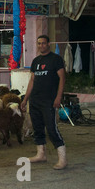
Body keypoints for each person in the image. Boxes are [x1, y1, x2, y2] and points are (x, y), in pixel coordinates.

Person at [20, 35, 67, 170]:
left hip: (49, 101)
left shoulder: (56, 60)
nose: (41, 46)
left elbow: (62, 79)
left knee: (52, 129)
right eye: (39, 43)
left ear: (49, 44)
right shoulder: (36, 61)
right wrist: (25, 99)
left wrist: (58, 97)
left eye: (43, 43)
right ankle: (41, 154)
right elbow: (32, 81)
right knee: (37, 128)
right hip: (35, 100)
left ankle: (62, 159)